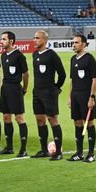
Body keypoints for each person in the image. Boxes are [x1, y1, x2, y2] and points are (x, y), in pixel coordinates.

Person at [30, 30, 66, 160]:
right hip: (37, 92)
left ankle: (58, 152)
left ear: (44, 40)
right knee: (40, 120)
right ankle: (44, 150)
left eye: (37, 38)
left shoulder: (52, 55)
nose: (34, 40)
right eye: (34, 38)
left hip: (49, 92)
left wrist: (56, 88)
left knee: (52, 119)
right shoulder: (34, 54)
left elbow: (62, 74)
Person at [0, 31, 30, 157]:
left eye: (4, 39)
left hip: (16, 88)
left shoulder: (19, 56)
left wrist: (25, 89)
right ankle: (9, 147)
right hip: (5, 88)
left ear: (11, 41)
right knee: (6, 117)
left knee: (19, 118)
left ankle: (23, 149)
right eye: (1, 39)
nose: (1, 41)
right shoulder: (3, 56)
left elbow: (26, 74)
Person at [67, 33, 96, 162]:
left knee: (89, 123)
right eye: (73, 42)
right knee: (77, 122)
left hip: (86, 95)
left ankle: (91, 154)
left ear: (84, 44)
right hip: (75, 95)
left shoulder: (90, 59)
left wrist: (92, 97)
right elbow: (72, 80)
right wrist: (69, 97)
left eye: (76, 42)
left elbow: (95, 79)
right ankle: (79, 153)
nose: (73, 45)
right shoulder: (73, 59)